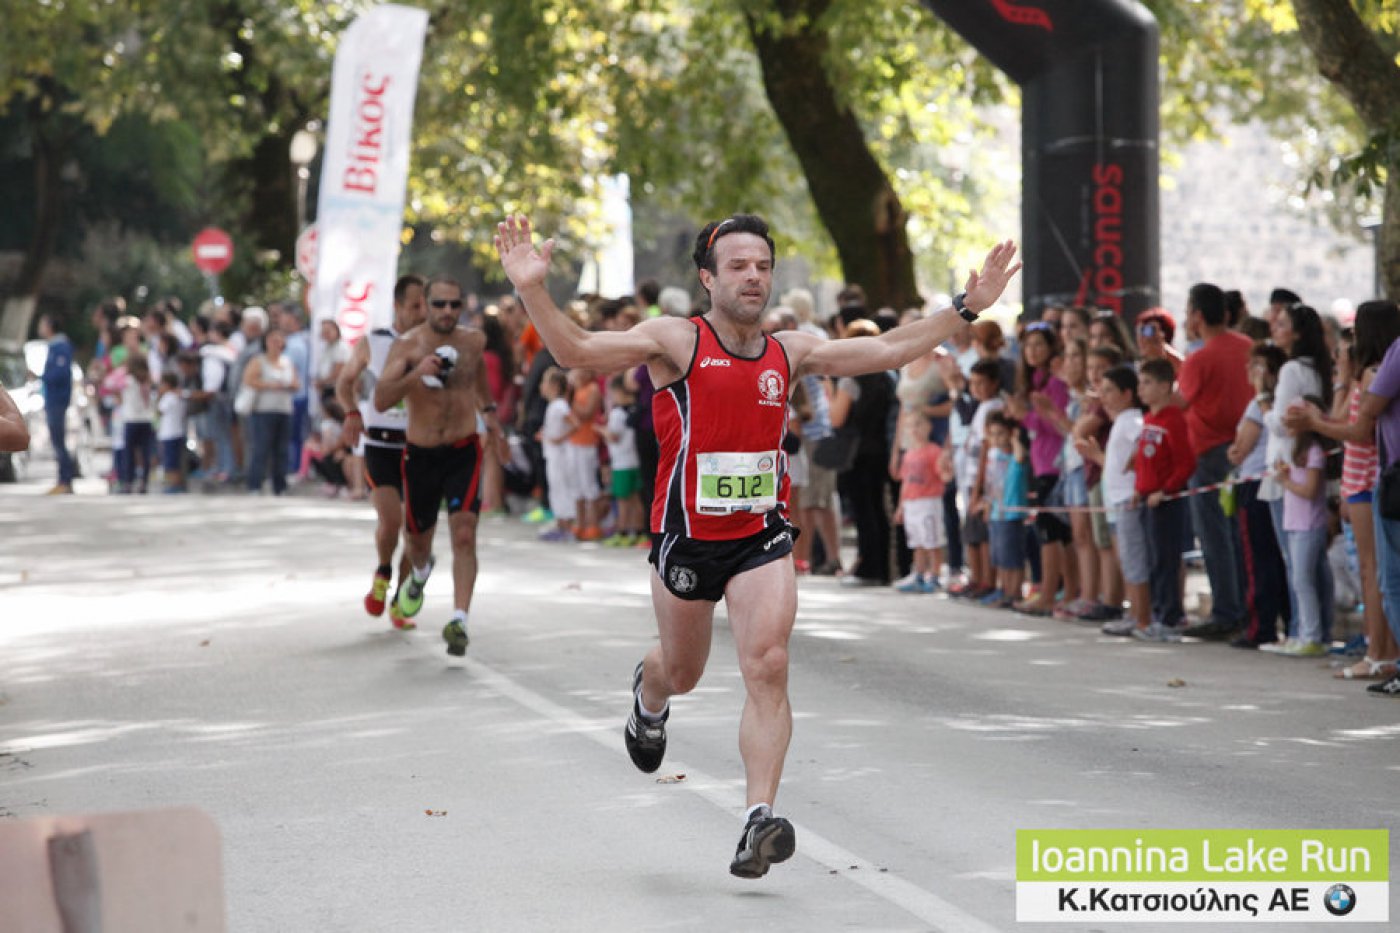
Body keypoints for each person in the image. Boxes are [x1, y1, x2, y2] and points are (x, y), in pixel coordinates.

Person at [495, 212, 1019, 877]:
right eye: (738, 266)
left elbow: (888, 349)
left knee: (768, 663)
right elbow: (575, 350)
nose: (753, 277)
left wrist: (966, 307)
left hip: (759, 535)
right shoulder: (675, 339)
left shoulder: (790, 351)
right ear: (708, 278)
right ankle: (650, 698)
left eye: (763, 266)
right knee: (682, 671)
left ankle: (757, 819)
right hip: (688, 537)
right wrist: (532, 289)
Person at [375, 276, 507, 656]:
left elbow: (478, 381)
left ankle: (459, 620)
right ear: (426, 304)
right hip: (421, 453)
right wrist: (416, 373)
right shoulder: (407, 345)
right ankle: (419, 572)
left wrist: (492, 420)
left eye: (454, 304)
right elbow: (381, 399)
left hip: (464, 448)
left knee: (464, 532)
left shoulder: (473, 341)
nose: (448, 311)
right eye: (439, 304)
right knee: (417, 542)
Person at [1285, 300, 1400, 680]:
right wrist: (1341, 381)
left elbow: (1356, 429)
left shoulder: (1374, 373)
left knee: (1373, 571)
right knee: (1371, 570)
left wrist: (1314, 422)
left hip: (1368, 478)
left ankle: (1380, 650)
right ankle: (1378, 648)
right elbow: (1341, 417)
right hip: (1362, 480)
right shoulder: (1368, 374)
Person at [337, 274, 428, 628]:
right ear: (397, 305)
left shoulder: (434, 343)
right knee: (391, 521)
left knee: (417, 533)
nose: (422, 311)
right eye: (415, 305)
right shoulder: (373, 342)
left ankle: (399, 601)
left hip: (421, 445)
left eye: (426, 304)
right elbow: (345, 382)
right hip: (380, 444)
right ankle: (383, 572)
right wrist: (351, 412)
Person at [1177, 283, 1253, 641]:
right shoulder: (1248, 347)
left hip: (1209, 455)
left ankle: (1226, 611)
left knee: (1215, 536)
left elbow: (1180, 400)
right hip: (1245, 450)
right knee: (1239, 535)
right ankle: (1244, 610)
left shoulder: (1200, 358)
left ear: (1196, 315)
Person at [1227, 343, 1290, 648]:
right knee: (1276, 557)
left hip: (1255, 484)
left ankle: (1260, 626)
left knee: (1258, 558)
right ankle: (1287, 621)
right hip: (1271, 482)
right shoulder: (1278, 402)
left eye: (1258, 366)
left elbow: (1240, 450)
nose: (1251, 372)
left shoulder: (1260, 405)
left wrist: (1235, 450)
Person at [1077, 366, 1146, 637]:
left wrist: (1138, 461)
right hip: (1119, 501)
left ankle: (1140, 616)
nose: (1102, 397)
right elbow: (1116, 467)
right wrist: (1096, 456)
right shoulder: (1121, 422)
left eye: (1108, 391)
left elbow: (1145, 440)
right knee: (1127, 560)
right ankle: (1134, 614)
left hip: (1129, 500)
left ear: (1127, 394)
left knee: (1134, 561)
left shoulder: (1131, 420)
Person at [1131, 358, 1197, 641]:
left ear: (1164, 386)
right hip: (1148, 499)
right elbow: (1144, 462)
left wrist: (1166, 490)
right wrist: (1139, 488)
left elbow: (1186, 463)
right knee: (1153, 559)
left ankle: (1170, 617)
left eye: (1147, 383)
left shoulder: (1174, 420)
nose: (1141, 389)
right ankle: (1159, 614)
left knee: (1166, 559)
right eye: (1140, 383)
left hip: (1165, 502)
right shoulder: (1148, 420)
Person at [1270, 401, 1335, 657]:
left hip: (1309, 524)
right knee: (1300, 579)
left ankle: (1312, 635)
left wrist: (1285, 481)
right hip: (1295, 523)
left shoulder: (1314, 452)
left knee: (1303, 580)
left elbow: (1309, 491)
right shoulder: (1297, 451)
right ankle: (1306, 633)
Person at [892, 411, 945, 593]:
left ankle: (935, 575)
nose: (914, 429)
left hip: (929, 502)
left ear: (928, 427)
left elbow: (943, 475)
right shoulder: (908, 454)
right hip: (911, 503)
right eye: (910, 425)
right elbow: (905, 482)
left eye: (918, 424)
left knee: (932, 541)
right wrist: (901, 506)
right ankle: (919, 574)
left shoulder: (935, 451)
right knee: (916, 542)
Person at [243, 328, 299, 496]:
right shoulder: (258, 361)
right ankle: (255, 484)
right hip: (263, 410)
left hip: (283, 409)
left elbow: (296, 383)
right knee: (261, 448)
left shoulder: (287, 362)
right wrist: (269, 385)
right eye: (273, 340)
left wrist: (287, 385)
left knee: (281, 449)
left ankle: (279, 485)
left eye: (279, 340)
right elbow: (248, 380)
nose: (276, 344)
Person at [982, 412, 1027, 607]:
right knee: (1000, 557)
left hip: (1012, 514)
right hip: (996, 513)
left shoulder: (1015, 456)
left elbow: (1020, 456)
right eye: (992, 434)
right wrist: (987, 504)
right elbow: (990, 484)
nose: (996, 438)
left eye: (1001, 433)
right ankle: (1005, 590)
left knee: (1013, 558)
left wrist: (1015, 438)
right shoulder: (993, 456)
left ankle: (1014, 592)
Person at [36, 314, 76, 494]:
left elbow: (61, 373)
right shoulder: (53, 346)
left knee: (59, 440)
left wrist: (43, 376)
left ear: (50, 326)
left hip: (58, 400)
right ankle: (63, 479)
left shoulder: (61, 346)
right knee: (56, 440)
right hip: (52, 399)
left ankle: (65, 479)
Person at [604, 373, 644, 545]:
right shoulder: (636, 409)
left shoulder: (617, 413)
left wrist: (601, 431)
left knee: (622, 499)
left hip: (621, 463)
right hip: (635, 460)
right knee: (635, 498)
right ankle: (639, 531)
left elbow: (614, 436)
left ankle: (623, 532)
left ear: (619, 391)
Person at [155, 371, 187, 492]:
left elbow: (159, 411)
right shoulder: (179, 397)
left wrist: (159, 397)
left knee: (170, 461)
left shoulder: (168, 397)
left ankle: (175, 484)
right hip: (177, 432)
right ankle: (176, 483)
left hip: (169, 433)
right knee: (175, 460)